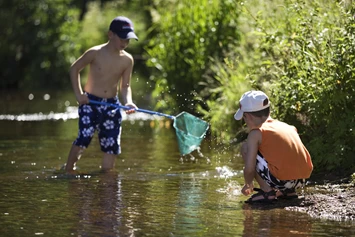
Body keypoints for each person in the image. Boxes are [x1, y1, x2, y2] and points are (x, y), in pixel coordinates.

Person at [64, 16, 139, 174]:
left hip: (112, 105)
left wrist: (129, 102)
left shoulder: (127, 60)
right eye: (122, 38)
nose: (125, 43)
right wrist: (79, 95)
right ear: (110, 34)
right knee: (84, 137)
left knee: (111, 143)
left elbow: (125, 86)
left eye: (128, 40)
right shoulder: (95, 53)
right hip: (90, 103)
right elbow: (74, 69)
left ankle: (107, 177)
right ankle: (68, 170)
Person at [234, 90, 313, 203]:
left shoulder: (256, 133)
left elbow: (249, 169)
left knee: (246, 148)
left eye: (244, 118)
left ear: (248, 116)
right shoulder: (288, 126)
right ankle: (288, 192)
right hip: (300, 179)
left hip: (281, 180)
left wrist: (248, 184)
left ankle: (267, 192)